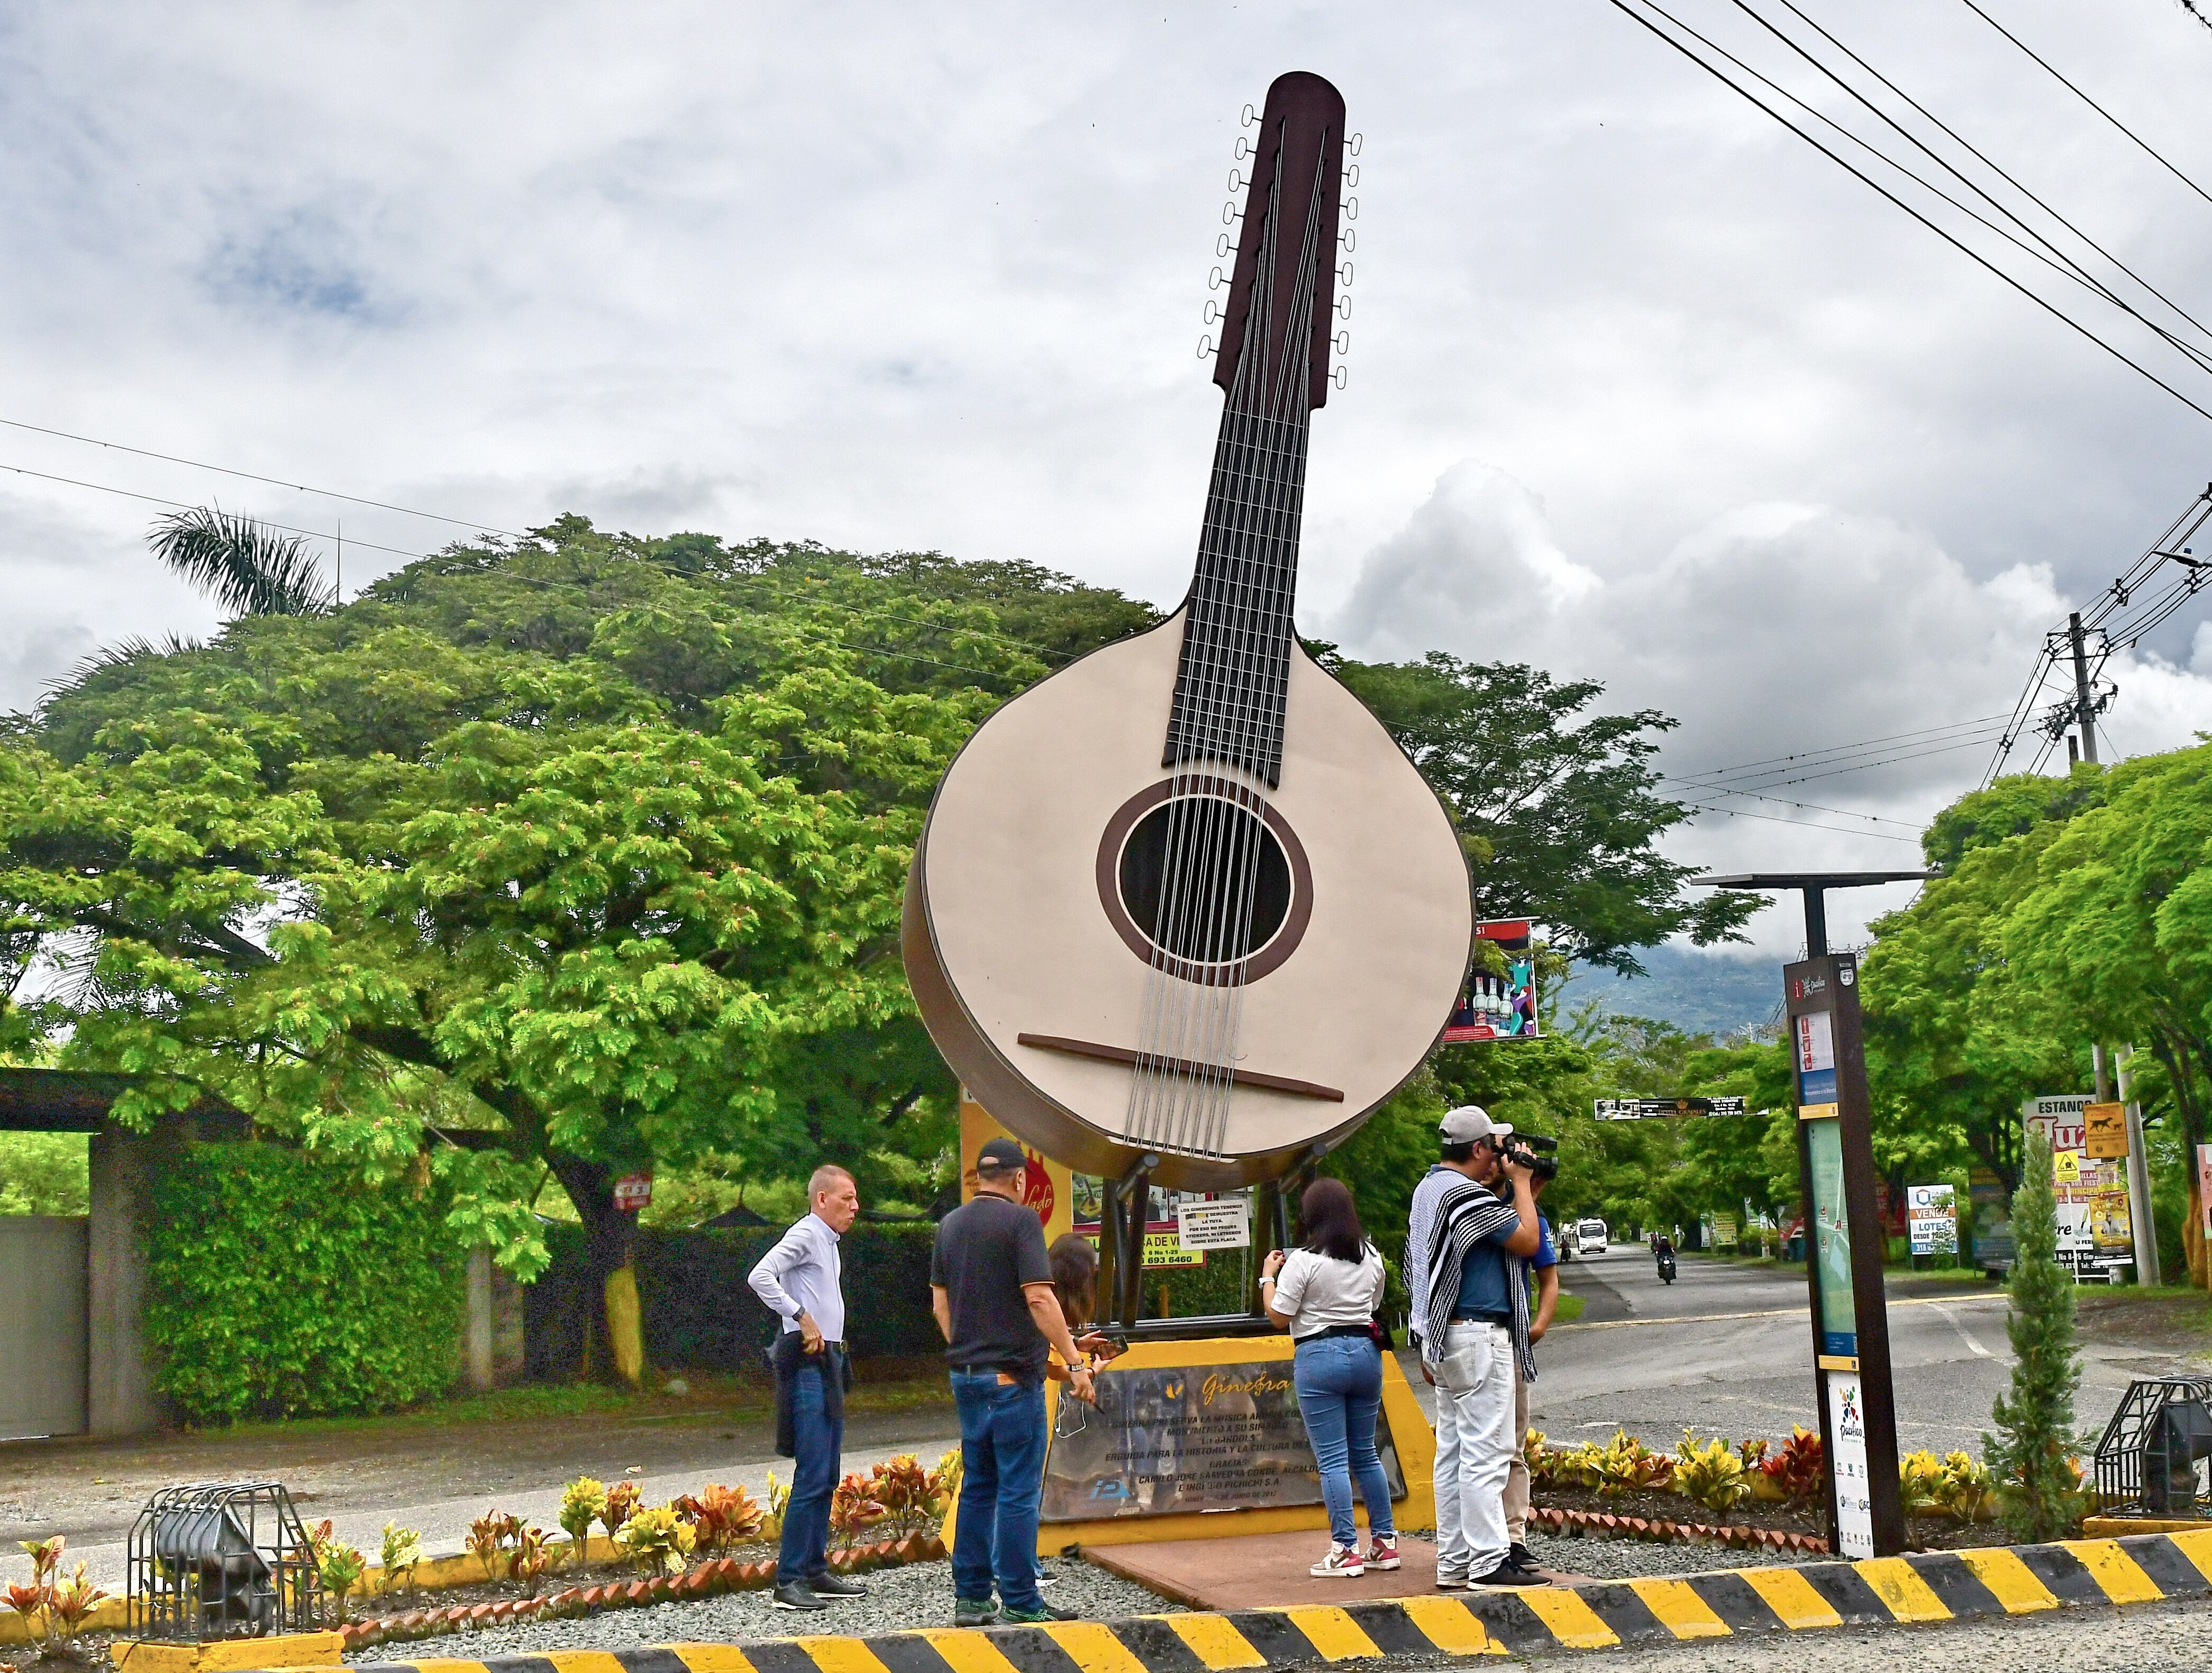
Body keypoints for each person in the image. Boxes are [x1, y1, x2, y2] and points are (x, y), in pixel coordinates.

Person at [932, 1137, 1096, 1627]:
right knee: (1018, 1492)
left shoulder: (949, 1225)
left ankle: (971, 1599)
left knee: (977, 1487)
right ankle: (1022, 1599)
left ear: (980, 1178)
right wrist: (1075, 1362)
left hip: (966, 1377)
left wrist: (970, 1348)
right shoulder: (1022, 1222)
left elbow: (940, 1304)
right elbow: (1040, 1298)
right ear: (1020, 1179)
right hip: (1011, 1382)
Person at [1413, 1106, 1547, 1590]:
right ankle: (1490, 1561)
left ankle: (1454, 1562)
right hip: (1477, 1336)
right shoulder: (1465, 1195)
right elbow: (1526, 1240)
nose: (1498, 1156)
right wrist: (1522, 1184)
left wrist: (1522, 1191)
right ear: (1476, 1148)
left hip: (1443, 1334)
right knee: (1486, 1454)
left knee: (1452, 1455)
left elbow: (1489, 1235)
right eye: (1494, 1147)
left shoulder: (1429, 1189)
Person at [1259, 1177, 1398, 1579]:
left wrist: (1267, 1277)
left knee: (1333, 1459)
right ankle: (1385, 1544)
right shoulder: (1370, 1256)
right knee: (1366, 1453)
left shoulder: (1303, 1261)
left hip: (1319, 1356)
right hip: (1366, 1354)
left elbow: (1279, 1316)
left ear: (1310, 1216)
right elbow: (1372, 1304)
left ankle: (1345, 1551)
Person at [747, 1164, 867, 1612]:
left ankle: (814, 1568)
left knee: (828, 1474)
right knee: (813, 1472)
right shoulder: (805, 1234)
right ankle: (789, 1580)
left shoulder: (827, 1242)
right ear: (821, 1199)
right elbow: (760, 1276)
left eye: (854, 1199)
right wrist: (800, 1315)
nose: (855, 1207)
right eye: (846, 1199)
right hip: (807, 1362)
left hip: (829, 1360)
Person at [1500, 1155, 1561, 1570]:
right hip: (1476, 1337)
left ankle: (1513, 1537)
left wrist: (1537, 1327)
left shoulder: (1532, 1220)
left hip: (1512, 1344)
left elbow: (1548, 1277)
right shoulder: (1478, 1210)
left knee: (1514, 1445)